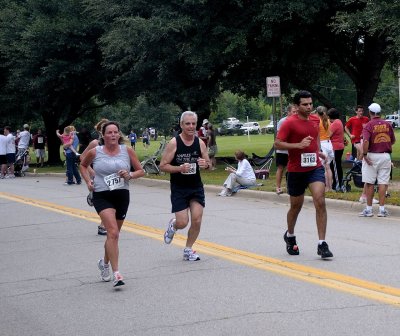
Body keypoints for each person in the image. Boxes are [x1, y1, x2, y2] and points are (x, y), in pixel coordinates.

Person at [80, 121, 145, 287]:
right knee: (113, 232)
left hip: (122, 194)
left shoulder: (127, 150)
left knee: (113, 236)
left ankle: (105, 263)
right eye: (109, 132)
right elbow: (82, 164)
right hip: (102, 195)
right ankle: (117, 273)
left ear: (119, 134)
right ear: (103, 135)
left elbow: (141, 171)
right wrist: (88, 181)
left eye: (116, 132)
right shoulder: (95, 152)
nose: (113, 135)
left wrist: (129, 174)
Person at [274, 90, 333, 259]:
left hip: (314, 167)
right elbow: (277, 143)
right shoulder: (289, 123)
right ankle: (290, 235)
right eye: (305, 104)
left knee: (320, 200)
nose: (309, 107)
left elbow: (314, 139)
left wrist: (318, 151)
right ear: (296, 106)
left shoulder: (316, 119)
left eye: (310, 104)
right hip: (296, 170)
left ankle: (322, 244)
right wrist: (297, 145)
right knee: (296, 206)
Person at [159, 111, 210, 261]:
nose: (191, 126)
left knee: (197, 219)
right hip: (179, 188)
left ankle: (188, 249)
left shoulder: (199, 142)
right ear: (181, 125)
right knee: (183, 222)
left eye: (193, 123)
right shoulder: (174, 143)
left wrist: (205, 164)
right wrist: (179, 168)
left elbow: (209, 164)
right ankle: (174, 226)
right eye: (187, 123)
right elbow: (162, 166)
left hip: (196, 187)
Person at [359, 103, 395, 218]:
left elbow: (365, 141)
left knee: (369, 183)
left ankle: (369, 210)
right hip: (385, 156)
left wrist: (364, 155)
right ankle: (382, 210)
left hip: (371, 155)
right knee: (383, 183)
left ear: (370, 113)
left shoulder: (369, 125)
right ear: (379, 113)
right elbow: (392, 141)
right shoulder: (387, 124)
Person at [81, 118, 109, 235]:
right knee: (106, 201)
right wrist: (91, 171)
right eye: (106, 130)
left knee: (112, 201)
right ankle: (103, 226)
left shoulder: (115, 143)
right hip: (98, 176)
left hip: (111, 177)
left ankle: (105, 224)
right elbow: (82, 157)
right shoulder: (95, 144)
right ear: (100, 132)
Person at [275, 104, 297, 194]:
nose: (295, 113)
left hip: (292, 149)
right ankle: (278, 187)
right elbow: (279, 136)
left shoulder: (297, 121)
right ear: (288, 112)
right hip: (282, 150)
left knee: (291, 169)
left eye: (296, 112)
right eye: (293, 112)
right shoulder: (283, 121)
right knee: (281, 168)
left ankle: (290, 187)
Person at [316, 106, 334, 192]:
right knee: (328, 167)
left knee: (323, 168)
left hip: (322, 145)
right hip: (329, 144)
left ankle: (326, 187)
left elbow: (317, 136)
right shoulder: (328, 121)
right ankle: (330, 187)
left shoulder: (318, 122)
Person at [327, 108, 345, 191]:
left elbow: (328, 135)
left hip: (335, 147)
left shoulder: (335, 123)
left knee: (335, 167)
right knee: (337, 166)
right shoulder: (339, 121)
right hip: (339, 146)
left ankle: (337, 185)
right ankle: (338, 183)